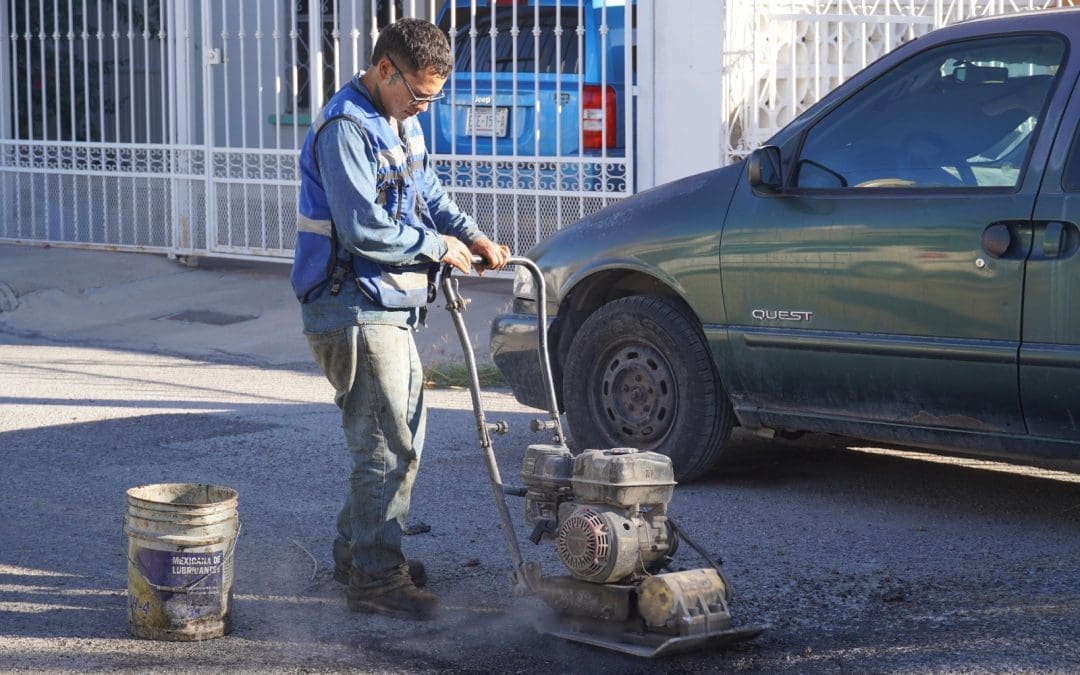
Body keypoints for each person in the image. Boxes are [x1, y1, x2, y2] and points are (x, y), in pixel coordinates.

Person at [291, 17, 509, 620]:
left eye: (432, 99)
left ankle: (359, 554)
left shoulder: (398, 120)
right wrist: (438, 248)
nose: (422, 109)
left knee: (397, 440)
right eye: (417, 95)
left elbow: (428, 193)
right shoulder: (346, 128)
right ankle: (377, 580)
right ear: (385, 69)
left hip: (383, 304)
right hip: (351, 305)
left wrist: (469, 234)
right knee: (387, 447)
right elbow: (363, 228)